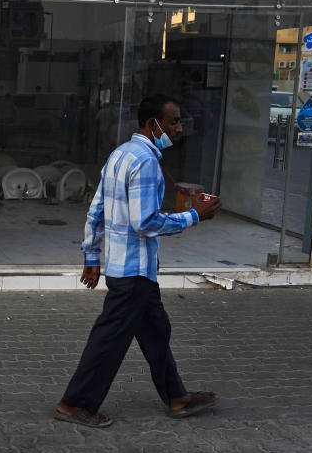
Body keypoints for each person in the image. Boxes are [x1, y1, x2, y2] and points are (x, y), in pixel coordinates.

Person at [54, 94, 222, 427]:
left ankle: (177, 397)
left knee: (157, 331)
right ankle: (74, 404)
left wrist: (91, 255)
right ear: (152, 124)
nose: (178, 128)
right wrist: (192, 216)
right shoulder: (145, 161)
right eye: (172, 121)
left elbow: (96, 210)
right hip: (133, 274)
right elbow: (144, 222)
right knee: (108, 341)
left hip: (130, 271)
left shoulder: (120, 155)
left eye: (178, 121)